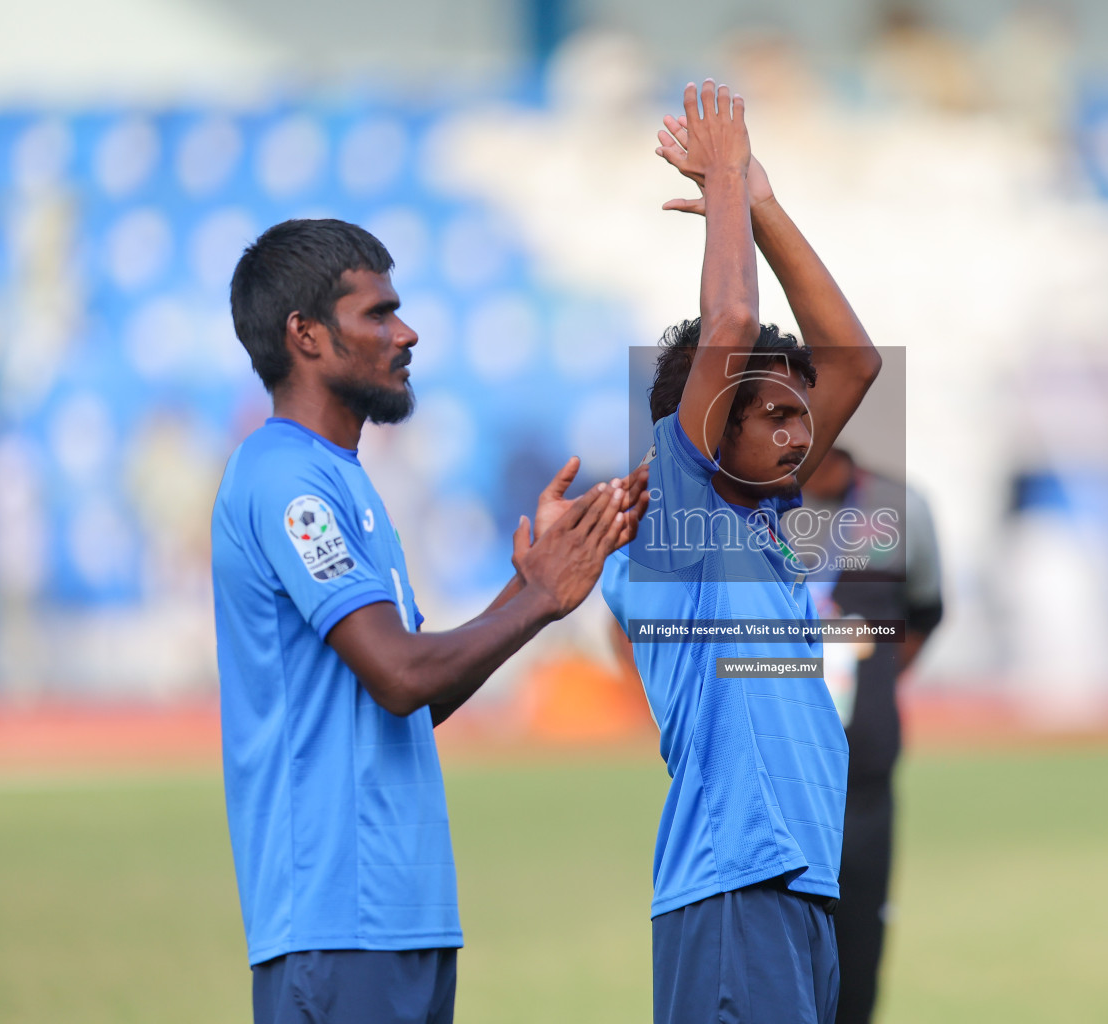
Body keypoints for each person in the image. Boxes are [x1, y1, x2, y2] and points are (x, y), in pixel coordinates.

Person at [213, 218, 646, 1024]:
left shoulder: (345, 482)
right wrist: (542, 598)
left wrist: (528, 589)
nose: (406, 333)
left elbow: (415, 687)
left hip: (396, 912)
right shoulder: (285, 481)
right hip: (337, 915)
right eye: (377, 314)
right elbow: (403, 676)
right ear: (304, 335)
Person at [600, 80, 882, 1024]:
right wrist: (723, 183)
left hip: (796, 887)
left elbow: (855, 362)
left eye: (800, 419)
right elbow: (727, 328)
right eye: (770, 416)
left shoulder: (764, 518)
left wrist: (762, 202)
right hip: (731, 892)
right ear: (705, 430)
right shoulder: (676, 526)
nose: (801, 435)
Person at [799, 447, 944, 1024]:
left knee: (856, 978)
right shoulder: (739, 505)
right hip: (770, 788)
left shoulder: (900, 507)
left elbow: (923, 616)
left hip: (863, 789)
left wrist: (874, 682)